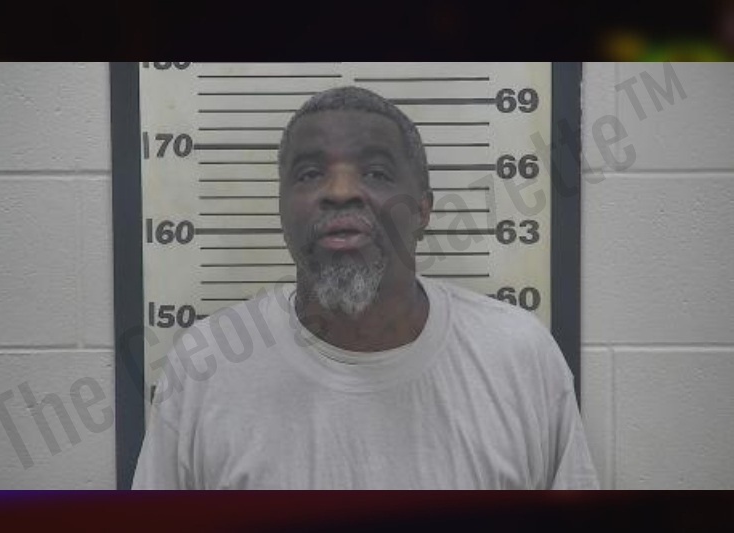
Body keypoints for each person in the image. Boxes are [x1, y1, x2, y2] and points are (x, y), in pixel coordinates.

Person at [132, 86, 599, 489]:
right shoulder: (205, 369)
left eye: (376, 172)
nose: (340, 191)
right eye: (310, 173)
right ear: (282, 208)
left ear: (423, 210)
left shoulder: (520, 359)